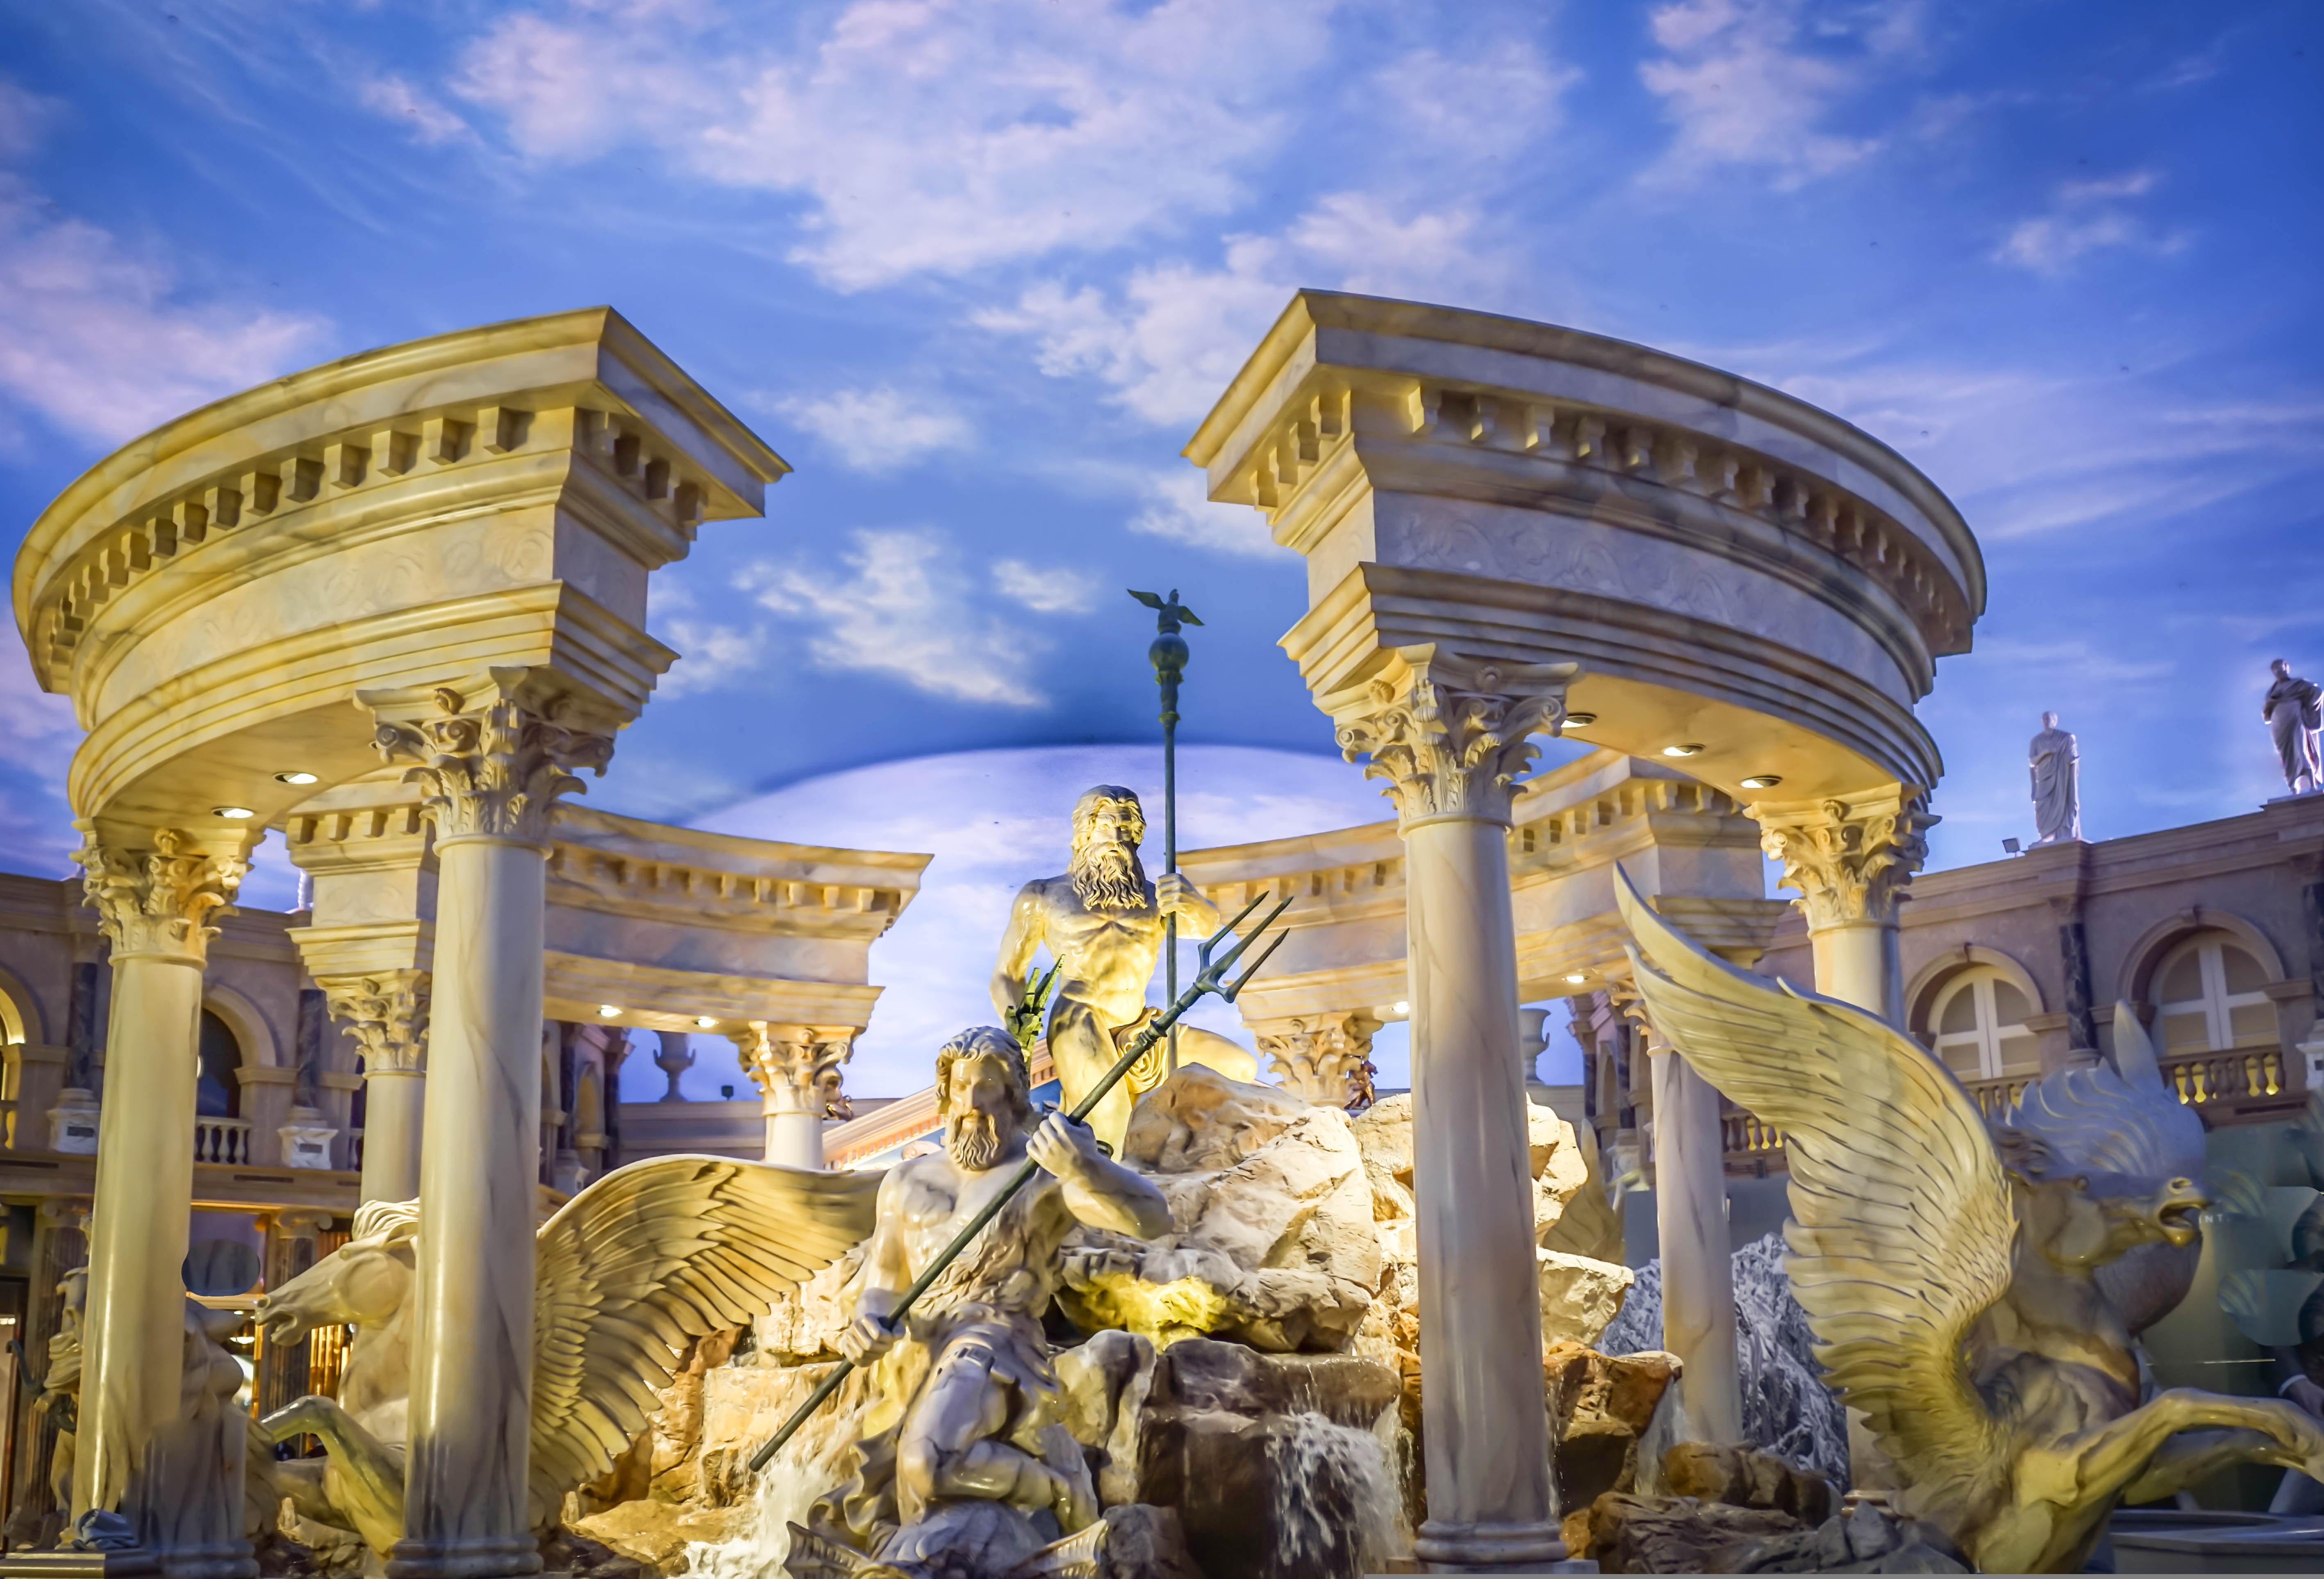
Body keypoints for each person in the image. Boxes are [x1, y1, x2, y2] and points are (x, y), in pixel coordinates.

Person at [808, 1026, 1171, 1563]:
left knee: (926, 1464)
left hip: (996, 1346)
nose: (973, 1103)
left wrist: (1085, 1166)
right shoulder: (905, 1182)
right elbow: (885, 1283)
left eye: (989, 1088)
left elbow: (1153, 1219)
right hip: (920, 1358)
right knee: (901, 1492)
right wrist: (869, 1322)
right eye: (961, 1088)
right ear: (945, 1093)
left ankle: (1055, 1488)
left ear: (1013, 1095)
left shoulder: (1041, 1178)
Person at [990, 786, 1258, 1154]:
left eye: (1124, 829)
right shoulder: (1042, 896)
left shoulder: (1155, 897)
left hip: (1143, 1025)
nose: (1115, 839)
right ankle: (1105, 1202)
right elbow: (1007, 974)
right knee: (1111, 1115)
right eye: (1105, 827)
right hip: (1080, 1017)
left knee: (1238, 1066)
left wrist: (1195, 904)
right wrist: (1017, 1026)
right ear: (1084, 831)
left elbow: (1204, 927)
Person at [2265, 659, 2324, 796]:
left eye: (2281, 668)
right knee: (2287, 757)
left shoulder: (2298, 684)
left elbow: (2318, 693)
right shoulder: (2271, 692)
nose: (2279, 671)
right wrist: (2272, 704)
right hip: (2280, 726)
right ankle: (2293, 788)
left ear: (2287, 669)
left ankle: (2312, 785)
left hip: (2296, 720)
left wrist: (2307, 709)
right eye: (2276, 670)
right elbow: (2267, 716)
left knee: (2301, 750)